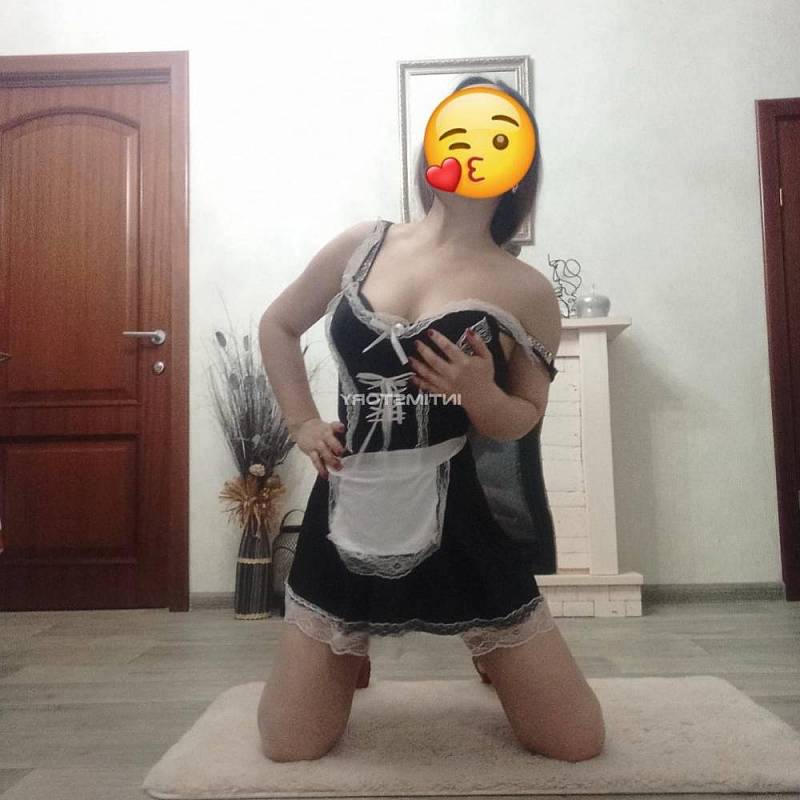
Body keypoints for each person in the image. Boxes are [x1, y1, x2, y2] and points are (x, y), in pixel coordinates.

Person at [256, 77, 605, 764]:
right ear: (431, 151)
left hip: (466, 513)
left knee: (575, 741)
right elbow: (279, 324)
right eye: (460, 133)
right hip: (348, 503)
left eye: (497, 138)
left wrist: (478, 391)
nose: (474, 151)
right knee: (290, 744)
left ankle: (484, 647)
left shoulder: (527, 290)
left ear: (520, 169)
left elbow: (523, 418)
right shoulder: (361, 245)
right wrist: (301, 422)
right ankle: (349, 651)